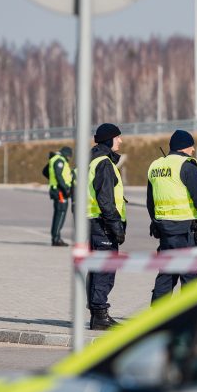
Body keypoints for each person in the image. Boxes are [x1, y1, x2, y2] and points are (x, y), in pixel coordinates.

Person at [147, 129, 197, 302]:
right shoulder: (187, 166)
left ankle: (156, 320)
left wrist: (155, 221)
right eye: (191, 146)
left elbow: (150, 200)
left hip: (165, 231)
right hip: (186, 232)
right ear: (184, 147)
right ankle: (188, 323)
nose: (193, 150)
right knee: (189, 278)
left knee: (166, 276)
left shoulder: (156, 166)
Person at [86, 123, 126, 330]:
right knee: (104, 270)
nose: (120, 141)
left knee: (97, 269)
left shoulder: (93, 160)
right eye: (117, 137)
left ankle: (97, 313)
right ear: (109, 139)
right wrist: (116, 227)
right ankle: (100, 315)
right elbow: (106, 200)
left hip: (93, 223)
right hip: (102, 224)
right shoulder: (104, 163)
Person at [47, 146, 73, 246]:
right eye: (69, 156)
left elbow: (46, 172)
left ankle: (56, 237)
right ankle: (56, 238)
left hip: (57, 190)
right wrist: (66, 188)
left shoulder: (54, 159)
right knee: (60, 214)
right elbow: (58, 175)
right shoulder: (59, 161)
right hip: (60, 191)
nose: (69, 159)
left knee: (58, 214)